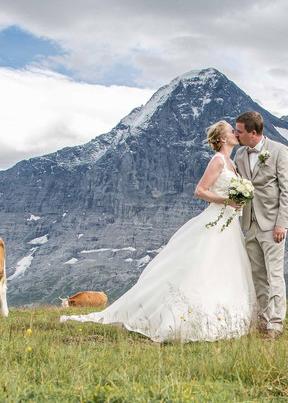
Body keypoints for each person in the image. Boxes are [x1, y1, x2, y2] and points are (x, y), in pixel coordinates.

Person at [60, 121, 256, 342]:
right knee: (204, 267)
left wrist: (239, 200)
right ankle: (184, 317)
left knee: (225, 270)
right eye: (232, 131)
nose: (235, 134)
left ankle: (226, 317)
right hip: (216, 219)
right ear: (222, 138)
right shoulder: (218, 161)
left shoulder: (232, 163)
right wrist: (225, 201)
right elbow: (200, 190)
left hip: (229, 224)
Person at [234, 111, 288, 340]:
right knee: (257, 274)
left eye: (239, 131)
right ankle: (262, 319)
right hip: (249, 223)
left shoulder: (279, 151)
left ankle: (276, 323)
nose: (236, 134)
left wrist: (282, 223)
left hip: (272, 225)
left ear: (253, 132)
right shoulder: (240, 154)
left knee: (275, 273)